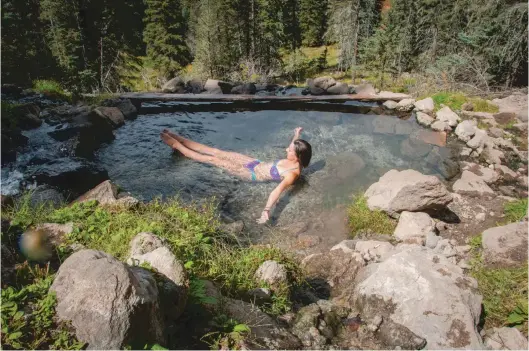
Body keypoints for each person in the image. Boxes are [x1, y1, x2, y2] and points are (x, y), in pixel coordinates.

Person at [160, 127, 312, 224]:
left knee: (213, 159)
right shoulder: (295, 156)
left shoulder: (291, 174)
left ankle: (177, 146)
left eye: (290, 150)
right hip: (255, 163)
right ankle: (180, 138)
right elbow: (294, 145)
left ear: (297, 156)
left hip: (250, 174)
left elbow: (277, 191)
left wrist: (266, 210)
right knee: (217, 152)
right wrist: (296, 134)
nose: (286, 149)